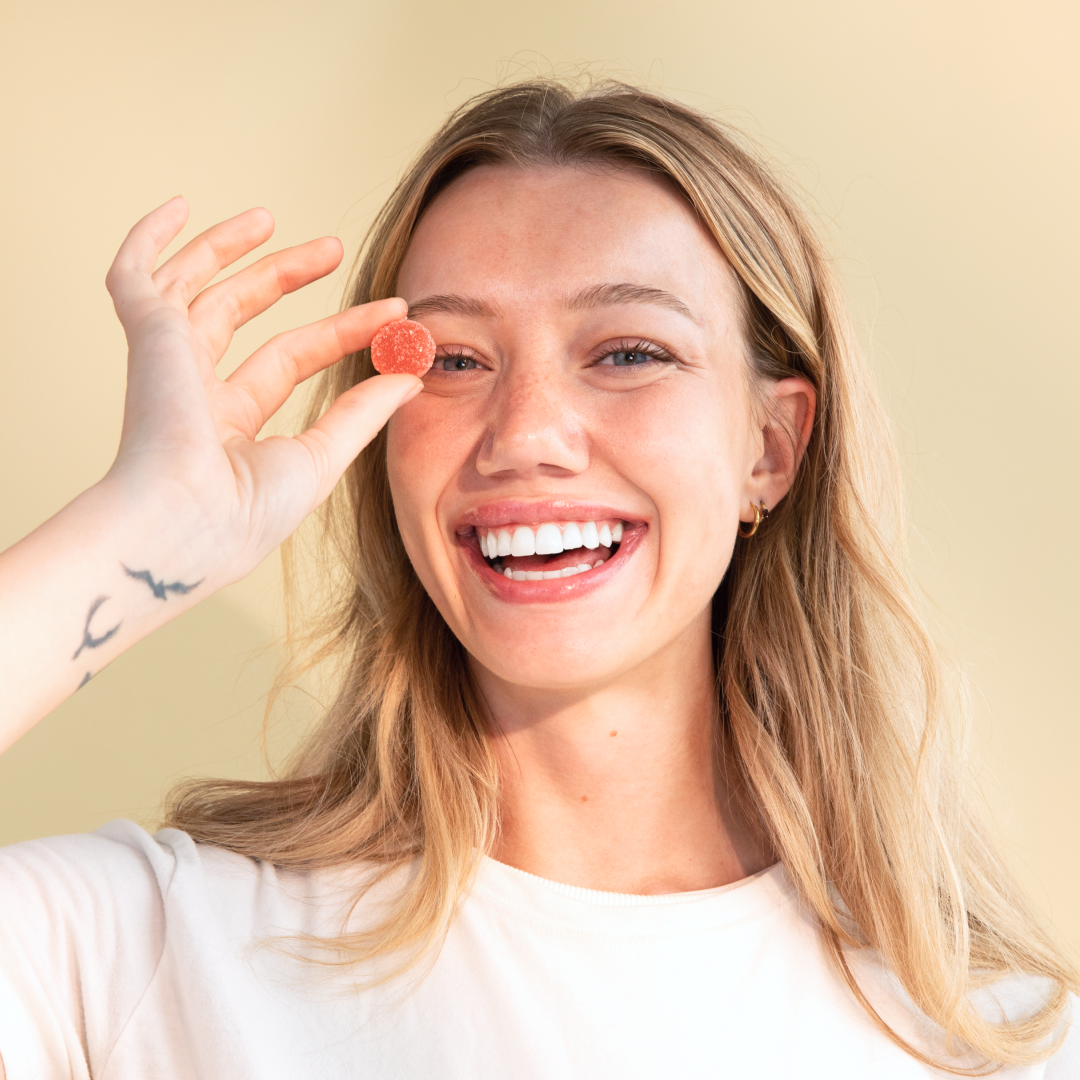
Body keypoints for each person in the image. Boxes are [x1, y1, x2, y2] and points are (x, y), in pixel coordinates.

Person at [0, 78, 1075, 1079]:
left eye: (628, 353)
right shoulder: (144, 955)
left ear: (771, 447)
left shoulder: (999, 1041)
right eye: (454, 360)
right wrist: (151, 528)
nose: (525, 435)